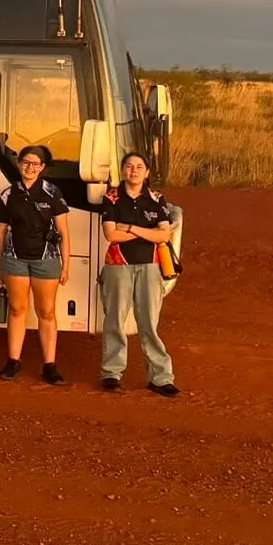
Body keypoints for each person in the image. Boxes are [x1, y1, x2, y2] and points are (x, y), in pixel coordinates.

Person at [101, 151, 181, 397]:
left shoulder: (156, 198)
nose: (133, 170)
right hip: (118, 265)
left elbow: (164, 236)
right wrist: (147, 231)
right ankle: (111, 374)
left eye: (138, 167)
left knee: (149, 322)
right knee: (115, 319)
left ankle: (160, 377)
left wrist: (131, 228)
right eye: (128, 166)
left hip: (150, 266)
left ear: (146, 172)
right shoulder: (112, 197)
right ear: (123, 171)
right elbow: (111, 235)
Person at [0, 145, 73, 385]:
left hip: (46, 259)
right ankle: (13, 361)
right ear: (19, 164)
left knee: (46, 312)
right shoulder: (8, 194)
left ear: (42, 167)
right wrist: (0, 263)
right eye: (25, 163)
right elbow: (0, 231)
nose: (29, 167)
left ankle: (49, 365)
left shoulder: (52, 193)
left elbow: (63, 232)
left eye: (35, 164)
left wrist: (66, 265)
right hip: (14, 259)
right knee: (17, 309)